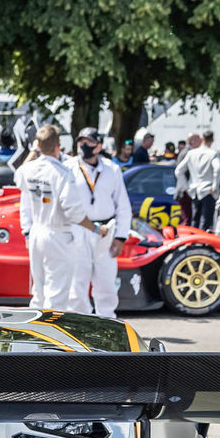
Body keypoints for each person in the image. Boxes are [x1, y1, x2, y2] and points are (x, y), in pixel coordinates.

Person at [14, 125, 88, 310]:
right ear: (58, 146)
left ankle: (34, 333)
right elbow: (74, 211)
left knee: (38, 292)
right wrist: (95, 228)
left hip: (36, 232)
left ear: (37, 145)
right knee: (57, 294)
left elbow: (18, 176)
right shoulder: (62, 173)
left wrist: (33, 151)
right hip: (57, 234)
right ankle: (50, 336)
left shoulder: (28, 169)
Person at [65, 126, 131, 318]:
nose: (83, 145)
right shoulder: (68, 167)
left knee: (106, 282)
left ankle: (107, 321)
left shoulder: (112, 169)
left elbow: (123, 205)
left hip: (106, 230)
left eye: (88, 142)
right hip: (78, 229)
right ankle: (79, 325)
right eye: (81, 141)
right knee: (77, 282)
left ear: (98, 146)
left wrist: (120, 237)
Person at [183, 131, 220, 230]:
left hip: (194, 190)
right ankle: (201, 243)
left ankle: (193, 241)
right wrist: (215, 187)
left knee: (195, 219)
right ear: (212, 140)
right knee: (205, 220)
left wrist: (186, 186)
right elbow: (217, 169)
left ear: (202, 139)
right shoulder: (213, 153)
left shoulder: (191, 153)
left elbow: (179, 170)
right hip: (207, 190)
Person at [173, 132, 203, 226]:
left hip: (187, 191)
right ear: (192, 141)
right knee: (188, 219)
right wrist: (186, 188)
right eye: (199, 139)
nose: (201, 142)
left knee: (189, 218)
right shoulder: (187, 153)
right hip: (185, 192)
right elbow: (180, 172)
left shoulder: (188, 152)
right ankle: (185, 239)